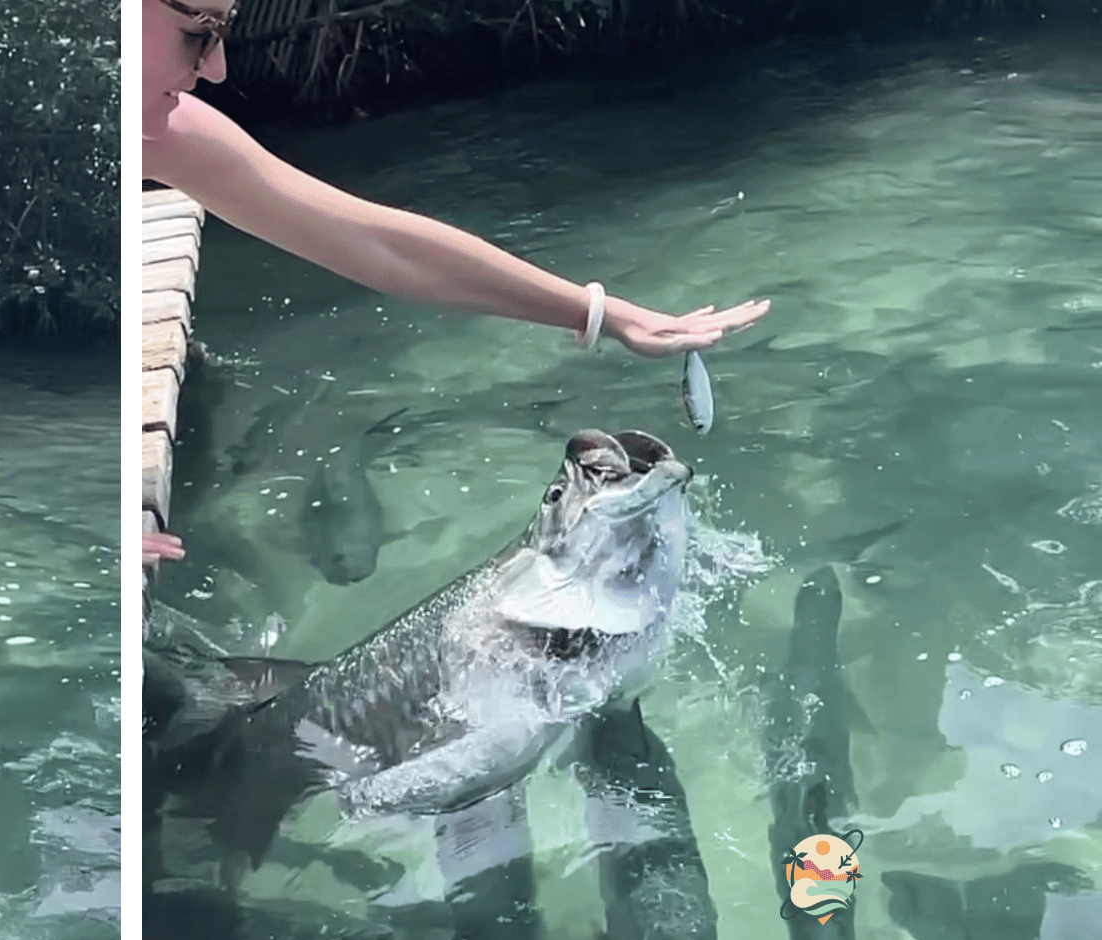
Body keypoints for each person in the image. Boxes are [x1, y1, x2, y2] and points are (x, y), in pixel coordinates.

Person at [141, 0, 773, 557]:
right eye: (201, 32)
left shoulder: (163, 130)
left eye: (225, 31)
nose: (217, 66)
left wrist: (608, 315)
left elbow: (380, 243)